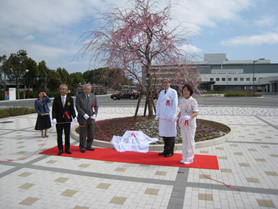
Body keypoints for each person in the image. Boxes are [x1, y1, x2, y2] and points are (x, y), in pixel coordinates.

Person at [174, 84, 199, 164]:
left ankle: (190, 158)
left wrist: (190, 117)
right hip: (182, 123)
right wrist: (177, 117)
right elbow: (182, 111)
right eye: (184, 90)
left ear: (190, 91)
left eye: (187, 90)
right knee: (184, 141)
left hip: (190, 124)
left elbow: (196, 112)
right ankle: (184, 157)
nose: (186, 92)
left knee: (190, 141)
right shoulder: (181, 101)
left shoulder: (193, 101)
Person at [155, 78, 178, 157]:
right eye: (163, 82)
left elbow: (174, 105)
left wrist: (170, 115)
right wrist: (157, 115)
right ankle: (165, 150)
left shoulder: (173, 92)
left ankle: (170, 151)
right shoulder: (161, 93)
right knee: (164, 134)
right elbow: (158, 105)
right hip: (162, 117)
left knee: (170, 135)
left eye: (166, 82)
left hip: (169, 118)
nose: (165, 84)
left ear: (170, 83)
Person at [52, 84, 77, 155]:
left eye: (63, 89)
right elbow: (54, 109)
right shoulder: (56, 99)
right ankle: (60, 149)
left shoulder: (70, 99)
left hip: (67, 119)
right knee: (59, 135)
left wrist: (74, 116)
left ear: (66, 90)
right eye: (61, 89)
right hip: (59, 120)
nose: (62, 90)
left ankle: (67, 148)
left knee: (67, 134)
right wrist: (54, 118)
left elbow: (72, 109)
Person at [76, 84, 98, 153]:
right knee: (83, 133)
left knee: (91, 133)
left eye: (88, 89)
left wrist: (95, 114)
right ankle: (82, 146)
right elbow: (78, 107)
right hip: (83, 118)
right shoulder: (79, 97)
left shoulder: (93, 97)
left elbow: (96, 106)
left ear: (90, 90)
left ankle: (89, 145)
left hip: (91, 118)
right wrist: (83, 114)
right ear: (83, 89)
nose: (87, 90)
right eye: (86, 89)